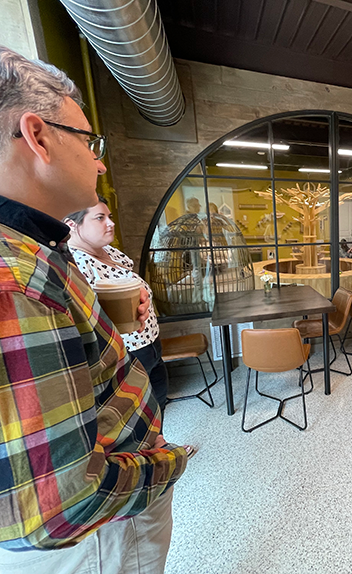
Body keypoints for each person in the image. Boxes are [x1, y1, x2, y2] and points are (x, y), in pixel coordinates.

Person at [0, 47, 191, 573]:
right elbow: (58, 506)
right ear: (37, 136)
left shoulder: (36, 248)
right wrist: (168, 463)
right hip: (101, 536)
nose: (100, 160)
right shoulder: (16, 280)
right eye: (89, 142)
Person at [64, 196, 168, 421]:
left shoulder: (107, 251)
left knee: (158, 400)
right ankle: (147, 452)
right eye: (100, 218)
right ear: (73, 225)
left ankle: (161, 446)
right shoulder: (78, 266)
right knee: (136, 412)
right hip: (126, 350)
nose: (110, 223)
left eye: (109, 216)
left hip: (148, 339)